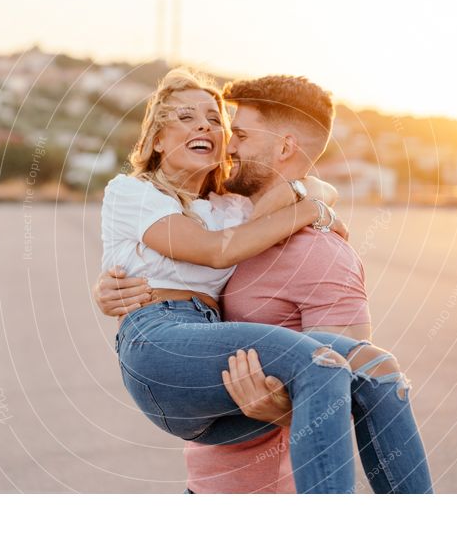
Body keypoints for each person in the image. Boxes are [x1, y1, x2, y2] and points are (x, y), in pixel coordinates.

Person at [97, 73, 433, 494]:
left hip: (220, 402)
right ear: (157, 140)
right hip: (160, 344)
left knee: (377, 371)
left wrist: (317, 205)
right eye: (185, 117)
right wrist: (312, 208)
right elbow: (218, 250)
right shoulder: (131, 191)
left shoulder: (232, 210)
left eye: (217, 122)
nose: (209, 128)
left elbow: (298, 191)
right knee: (322, 362)